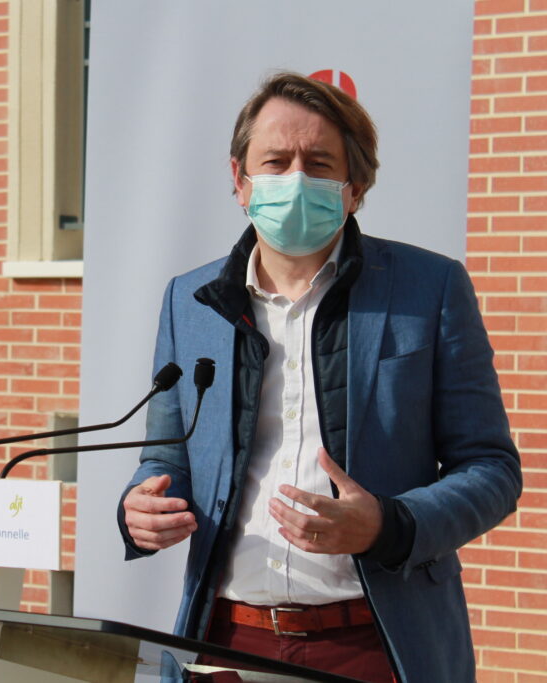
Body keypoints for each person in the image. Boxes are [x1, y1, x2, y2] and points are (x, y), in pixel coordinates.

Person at [119, 72, 521, 683]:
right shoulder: (189, 301)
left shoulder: (430, 289)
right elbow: (165, 455)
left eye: (319, 163)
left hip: (375, 645)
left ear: (354, 187)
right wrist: (140, 508)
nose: (296, 179)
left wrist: (387, 524)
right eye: (276, 161)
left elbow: (492, 470)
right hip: (225, 642)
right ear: (240, 180)